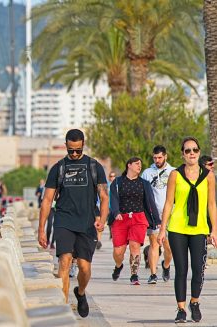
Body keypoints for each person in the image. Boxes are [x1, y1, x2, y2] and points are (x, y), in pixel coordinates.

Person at [38, 129, 109, 318]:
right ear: (66, 146)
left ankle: (81, 292)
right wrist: (42, 230)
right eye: (71, 151)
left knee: (85, 268)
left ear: (83, 145)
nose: (75, 154)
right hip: (64, 220)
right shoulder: (58, 168)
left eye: (78, 150)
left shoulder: (95, 167)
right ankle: (63, 310)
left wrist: (102, 220)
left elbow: (104, 197)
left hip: (87, 223)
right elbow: (47, 200)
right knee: (65, 262)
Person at [158, 137, 217, 323]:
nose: (192, 153)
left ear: (199, 153)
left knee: (198, 269)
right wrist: (162, 230)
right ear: (182, 154)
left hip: (199, 229)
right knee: (181, 270)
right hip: (177, 228)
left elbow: (212, 205)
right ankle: (181, 309)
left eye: (195, 150)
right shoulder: (175, 175)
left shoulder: (208, 176)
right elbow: (168, 203)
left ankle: (195, 302)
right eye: (188, 150)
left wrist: (214, 230)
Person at [109, 157, 160, 285]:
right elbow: (113, 199)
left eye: (140, 164)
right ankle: (118, 265)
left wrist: (157, 219)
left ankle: (134, 275)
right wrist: (116, 212)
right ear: (129, 165)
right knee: (118, 251)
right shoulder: (117, 182)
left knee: (134, 245)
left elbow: (150, 202)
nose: (139, 166)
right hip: (121, 218)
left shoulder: (144, 183)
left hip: (139, 218)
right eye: (137, 164)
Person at [141, 145, 175, 284]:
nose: (157, 160)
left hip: (171, 215)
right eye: (155, 157)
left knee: (169, 247)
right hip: (153, 215)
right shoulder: (147, 173)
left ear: (165, 156)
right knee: (154, 244)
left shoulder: (174, 172)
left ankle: (166, 265)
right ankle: (153, 274)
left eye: (160, 157)